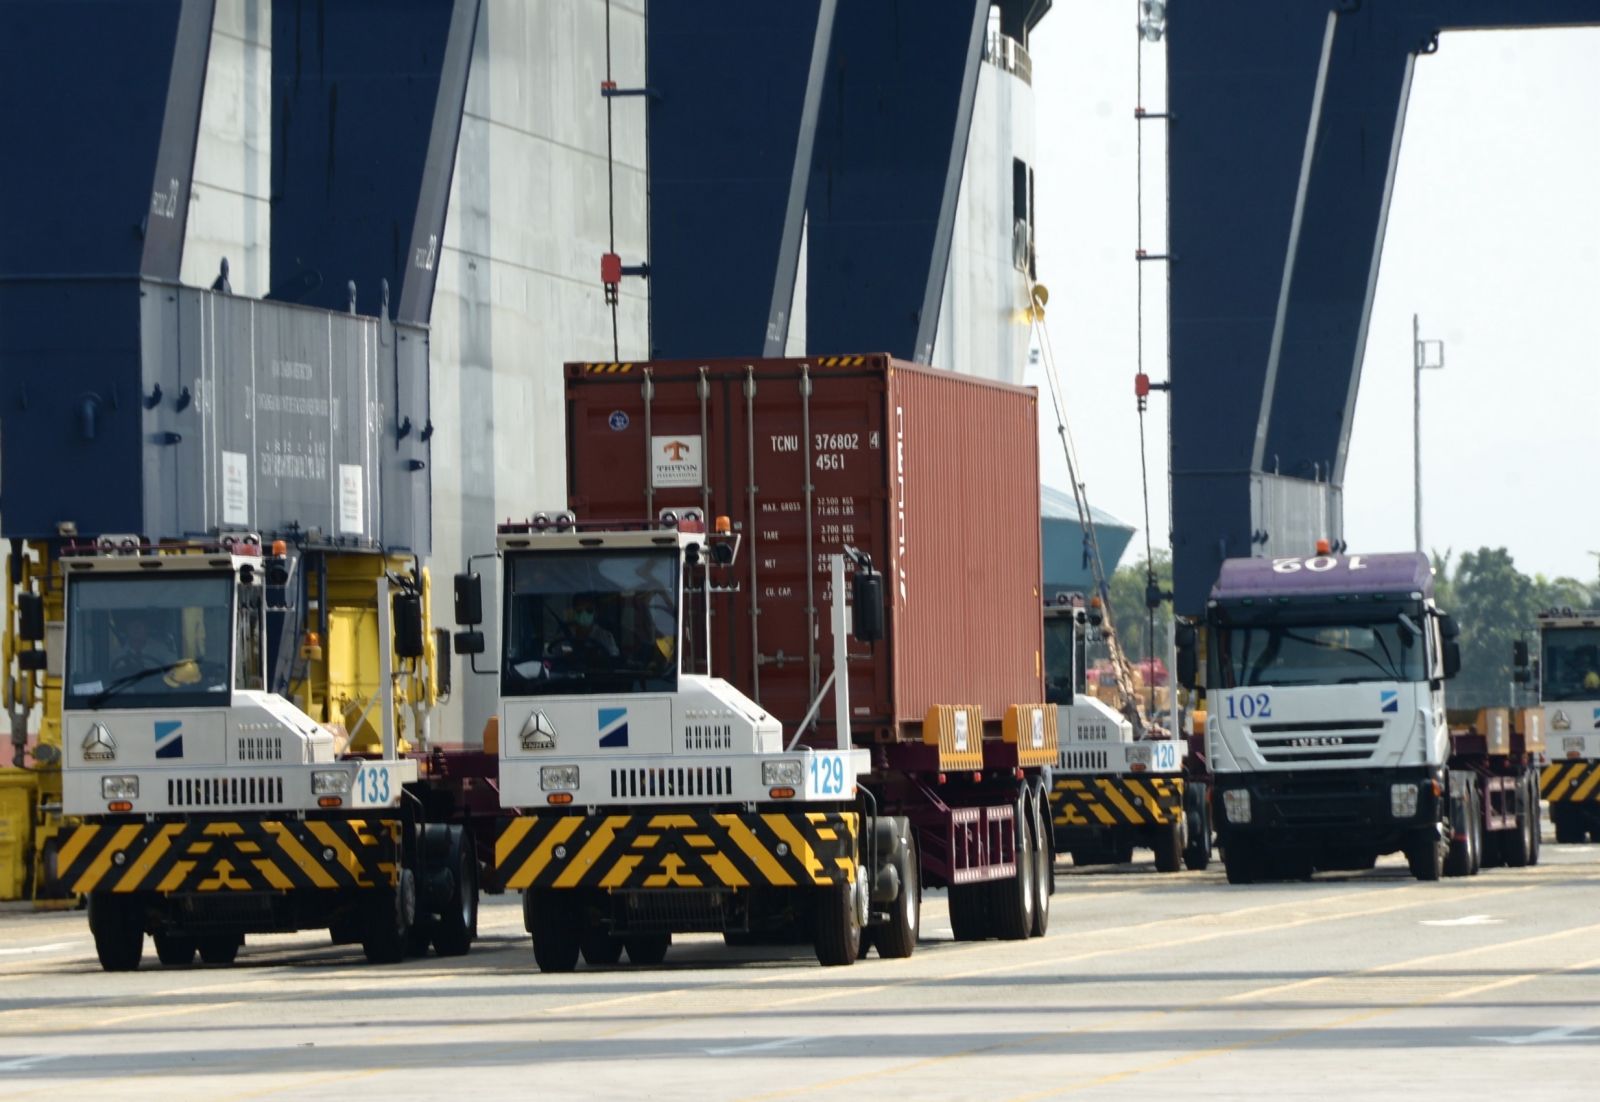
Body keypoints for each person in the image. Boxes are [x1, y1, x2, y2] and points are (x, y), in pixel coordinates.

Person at [114, 613, 178, 673]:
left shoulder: (160, 648)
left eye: (140, 625)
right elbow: (114, 674)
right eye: (132, 625)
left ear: (147, 628)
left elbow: (174, 667)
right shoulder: (118, 653)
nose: (136, 628)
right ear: (126, 629)